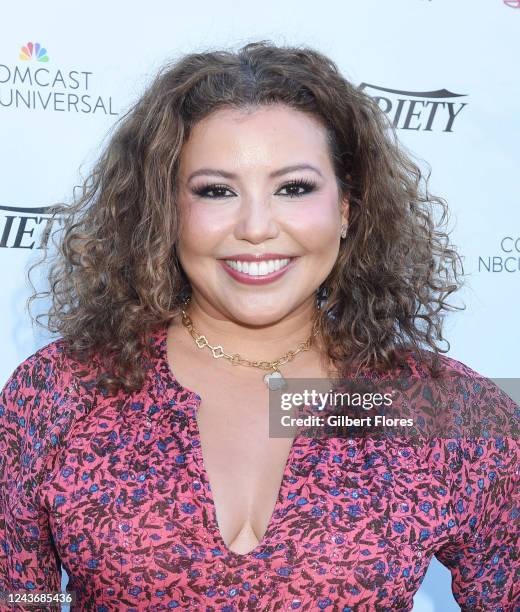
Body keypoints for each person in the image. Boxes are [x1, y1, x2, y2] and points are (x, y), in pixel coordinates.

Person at [0, 40, 518, 611]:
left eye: (293, 188)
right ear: (166, 211)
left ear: (347, 207)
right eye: (216, 191)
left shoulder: (437, 405)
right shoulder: (60, 392)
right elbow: (19, 595)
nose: (255, 227)